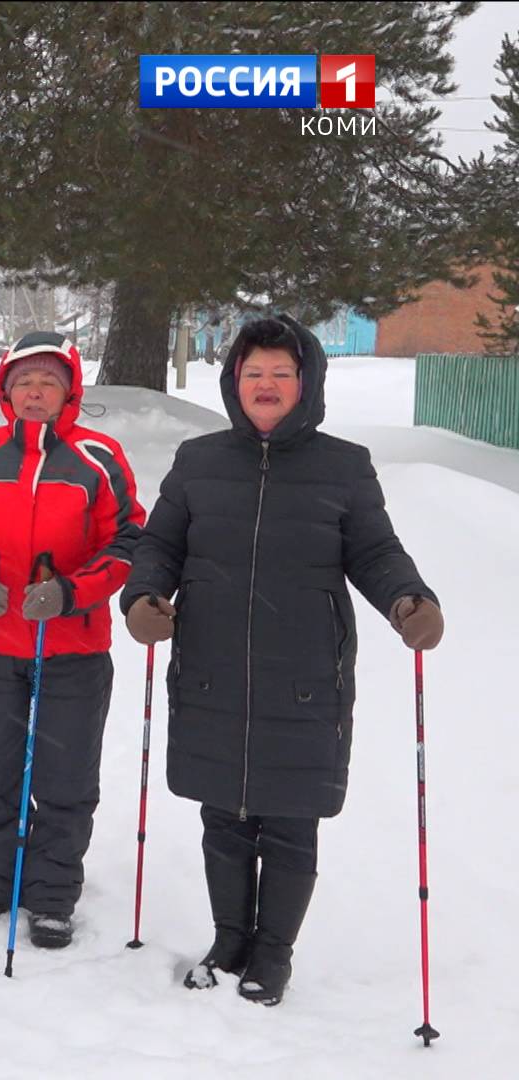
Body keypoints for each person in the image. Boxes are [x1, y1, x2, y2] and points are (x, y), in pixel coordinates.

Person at [121, 315, 443, 1006]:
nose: (266, 385)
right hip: (213, 666)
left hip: (303, 674)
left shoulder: (343, 466)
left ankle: (274, 953)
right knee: (224, 815)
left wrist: (409, 600)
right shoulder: (198, 460)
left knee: (290, 819)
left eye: (280, 374)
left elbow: (376, 553)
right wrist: (144, 596)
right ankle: (230, 937)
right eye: (253, 373)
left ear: (307, 383)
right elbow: (158, 546)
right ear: (234, 382)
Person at [0, 330, 144, 949]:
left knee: (64, 775)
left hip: (71, 648)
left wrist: (73, 592)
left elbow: (128, 540)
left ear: (68, 390)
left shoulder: (99, 458)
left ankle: (52, 892)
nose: (34, 391)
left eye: (48, 381)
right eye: (24, 380)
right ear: (6, 389)